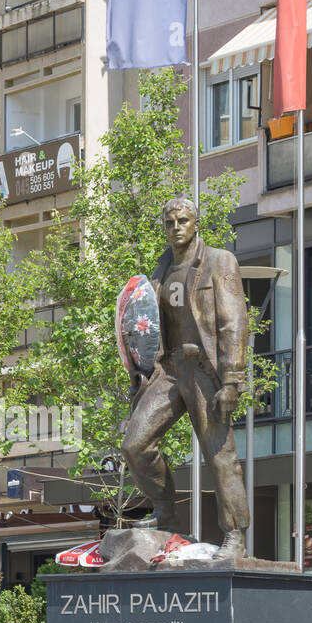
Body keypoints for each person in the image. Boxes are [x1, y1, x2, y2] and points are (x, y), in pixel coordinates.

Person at [120, 197, 253, 556]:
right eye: (170, 222)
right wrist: (139, 368)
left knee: (219, 454)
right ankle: (164, 514)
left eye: (183, 220)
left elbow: (233, 322)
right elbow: (144, 326)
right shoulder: (160, 271)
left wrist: (232, 380)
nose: (176, 227)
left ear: (196, 223)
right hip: (168, 370)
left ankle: (235, 536)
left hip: (204, 370)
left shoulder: (218, 261)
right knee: (135, 445)